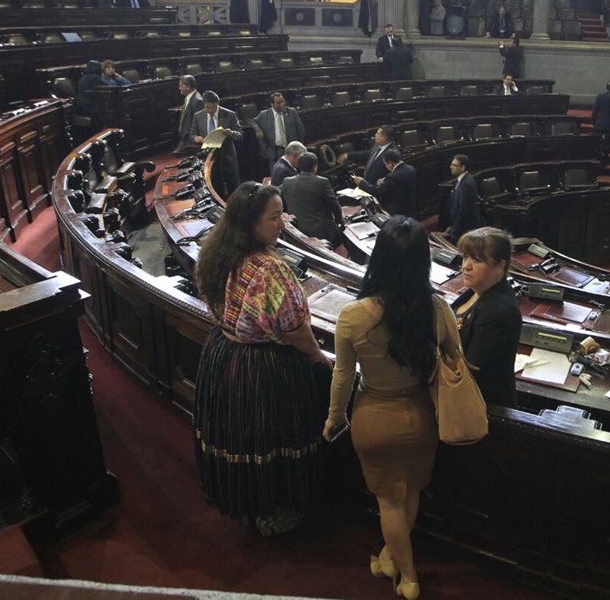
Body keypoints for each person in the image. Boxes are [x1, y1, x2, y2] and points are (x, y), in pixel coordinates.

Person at [323, 217, 461, 600]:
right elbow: (456, 360)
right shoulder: (437, 309)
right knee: (409, 492)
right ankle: (389, 560)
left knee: (389, 500)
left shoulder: (354, 315)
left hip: (374, 415)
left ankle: (409, 576)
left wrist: (336, 417)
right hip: (420, 416)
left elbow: (342, 377)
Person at [193, 182, 331, 536]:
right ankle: (274, 508)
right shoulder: (270, 268)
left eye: (281, 214)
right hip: (263, 369)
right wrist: (318, 357)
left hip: (225, 356)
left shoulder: (217, 253)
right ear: (248, 223)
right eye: (273, 217)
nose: (281, 223)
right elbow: (293, 329)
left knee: (242, 437)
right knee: (270, 438)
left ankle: (249, 504)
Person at [456, 227, 521, 407]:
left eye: (477, 260)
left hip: (483, 408)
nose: (466, 265)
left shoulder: (499, 311)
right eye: (465, 257)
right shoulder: (474, 291)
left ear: (500, 266)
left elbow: (470, 371)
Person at [281, 152, 344, 246]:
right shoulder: (322, 182)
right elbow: (334, 205)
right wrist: (340, 221)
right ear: (315, 166)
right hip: (321, 233)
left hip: (297, 231)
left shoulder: (287, 182)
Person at [190, 90, 243, 199]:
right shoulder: (198, 116)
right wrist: (197, 138)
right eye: (207, 108)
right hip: (209, 157)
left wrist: (231, 133)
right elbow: (192, 134)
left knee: (233, 185)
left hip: (227, 155)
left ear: (217, 104)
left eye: (213, 108)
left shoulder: (229, 114)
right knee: (214, 186)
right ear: (204, 105)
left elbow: (240, 135)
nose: (210, 110)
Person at [353, 149, 417, 217]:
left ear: (390, 163)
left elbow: (376, 191)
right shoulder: (410, 168)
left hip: (397, 211)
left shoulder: (392, 177)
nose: (386, 167)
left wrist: (361, 182)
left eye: (385, 164)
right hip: (410, 207)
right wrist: (386, 180)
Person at [250, 92, 305, 165]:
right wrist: (258, 130)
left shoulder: (292, 112)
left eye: (283, 101)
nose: (282, 104)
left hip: (291, 151)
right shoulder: (264, 114)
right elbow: (253, 121)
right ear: (272, 104)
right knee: (276, 174)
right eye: (278, 103)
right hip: (274, 152)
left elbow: (300, 130)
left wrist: (299, 147)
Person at [442, 154, 481, 241]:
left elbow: (463, 210)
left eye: (454, 165)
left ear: (463, 167)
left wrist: (455, 232)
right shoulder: (460, 181)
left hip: (466, 230)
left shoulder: (466, 184)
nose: (451, 167)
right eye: (451, 164)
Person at [175, 74, 202, 153]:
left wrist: (194, 138)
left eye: (181, 86)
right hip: (185, 140)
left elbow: (199, 123)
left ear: (188, 86)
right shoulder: (189, 98)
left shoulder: (197, 101)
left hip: (191, 141)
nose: (179, 88)